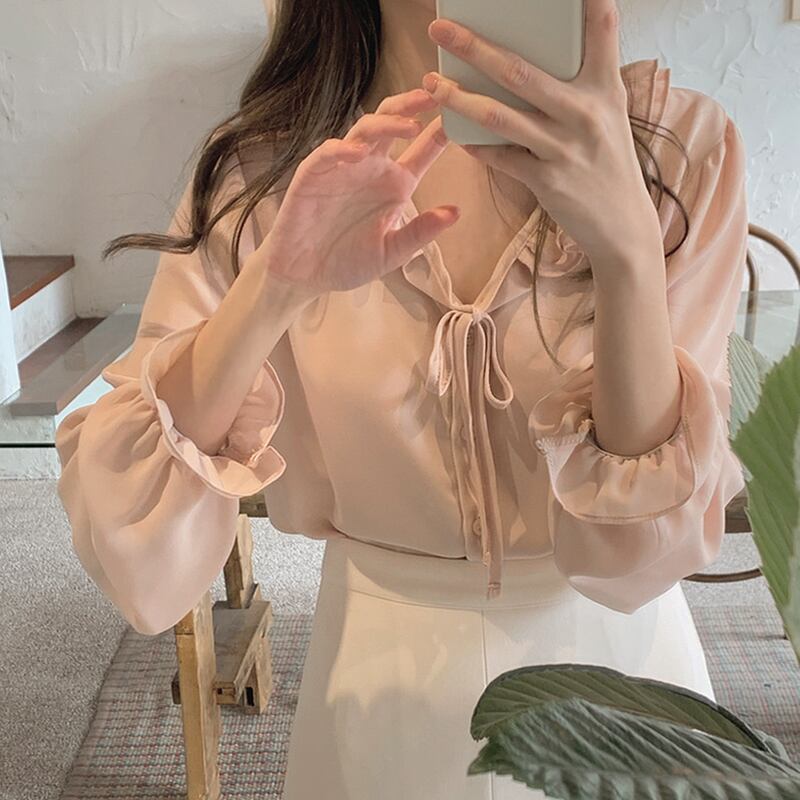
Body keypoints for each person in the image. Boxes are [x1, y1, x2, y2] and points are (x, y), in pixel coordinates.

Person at [54, 0, 749, 797]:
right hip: (375, 694)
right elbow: (130, 535)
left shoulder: (679, 149)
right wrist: (273, 289)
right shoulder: (264, 172)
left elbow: (643, 552)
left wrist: (627, 254)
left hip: (624, 686)